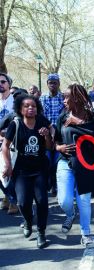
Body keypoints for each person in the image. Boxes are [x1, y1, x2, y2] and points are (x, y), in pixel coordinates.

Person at [2, 95, 52, 248]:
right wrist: (8, 165)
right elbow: (5, 146)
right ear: (20, 109)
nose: (31, 108)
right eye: (27, 106)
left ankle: (41, 233)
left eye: (33, 106)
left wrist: (47, 136)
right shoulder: (15, 124)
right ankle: (28, 221)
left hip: (40, 169)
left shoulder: (42, 121)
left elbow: (49, 147)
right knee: (23, 202)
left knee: (42, 201)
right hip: (21, 170)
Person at [55, 84, 94, 247]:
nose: (64, 101)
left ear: (77, 98)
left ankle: (85, 233)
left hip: (85, 165)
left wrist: (77, 122)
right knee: (64, 201)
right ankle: (70, 213)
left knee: (84, 201)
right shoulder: (62, 117)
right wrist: (60, 148)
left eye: (67, 97)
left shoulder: (92, 117)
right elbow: (56, 143)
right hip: (65, 163)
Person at [40, 73, 64, 196]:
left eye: (55, 82)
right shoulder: (42, 98)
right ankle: (49, 184)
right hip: (46, 135)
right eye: (50, 83)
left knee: (57, 161)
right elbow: (40, 116)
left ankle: (55, 185)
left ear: (59, 83)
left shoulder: (63, 98)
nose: (52, 85)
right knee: (47, 161)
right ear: (47, 84)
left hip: (60, 135)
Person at [0, 72, 18, 214]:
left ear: (9, 84)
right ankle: (8, 196)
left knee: (8, 171)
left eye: (3, 82)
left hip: (11, 141)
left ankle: (13, 201)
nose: (0, 84)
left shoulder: (15, 102)